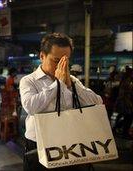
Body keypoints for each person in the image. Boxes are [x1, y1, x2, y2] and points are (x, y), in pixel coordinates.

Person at [19, 33, 103, 171]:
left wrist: (70, 85)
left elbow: (97, 102)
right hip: (39, 143)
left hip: (70, 143)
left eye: (65, 61)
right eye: (56, 60)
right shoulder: (29, 80)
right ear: (42, 56)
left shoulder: (72, 80)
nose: (61, 66)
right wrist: (58, 84)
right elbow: (31, 107)